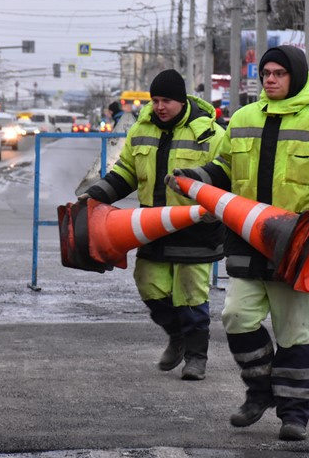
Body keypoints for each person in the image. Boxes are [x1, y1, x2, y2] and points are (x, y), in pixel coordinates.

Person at [166, 46, 309, 441]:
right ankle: (260, 392)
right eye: (265, 74)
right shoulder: (242, 119)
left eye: (278, 73)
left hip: (300, 247)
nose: (270, 80)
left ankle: (294, 415)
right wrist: (191, 177)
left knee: (295, 333)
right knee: (236, 317)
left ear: (296, 75)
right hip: (247, 243)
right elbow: (222, 170)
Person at [79, 69, 227, 381]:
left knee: (190, 291)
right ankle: (178, 337)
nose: (159, 106)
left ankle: (197, 357)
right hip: (152, 227)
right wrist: (95, 197)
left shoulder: (210, 133)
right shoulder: (142, 128)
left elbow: (226, 175)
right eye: (155, 100)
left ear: (182, 100)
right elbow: (126, 173)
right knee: (147, 282)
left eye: (167, 101)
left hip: (195, 229)